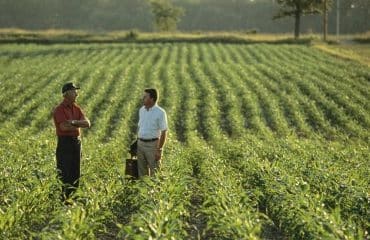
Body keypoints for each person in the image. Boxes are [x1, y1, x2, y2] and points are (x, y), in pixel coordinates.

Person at [53, 82, 91, 200]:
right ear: (66, 94)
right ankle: (64, 199)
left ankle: (73, 198)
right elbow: (63, 127)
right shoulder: (59, 109)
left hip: (76, 142)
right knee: (65, 171)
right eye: (74, 91)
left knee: (76, 170)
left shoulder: (77, 108)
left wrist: (73, 122)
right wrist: (78, 124)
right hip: (65, 143)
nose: (76, 93)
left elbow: (87, 123)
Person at [137, 88, 168, 177]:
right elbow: (140, 127)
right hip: (141, 144)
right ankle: (143, 190)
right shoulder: (141, 110)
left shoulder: (160, 112)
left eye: (145, 97)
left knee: (155, 173)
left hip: (153, 145)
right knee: (142, 173)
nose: (143, 98)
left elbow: (164, 131)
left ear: (152, 99)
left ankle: (155, 191)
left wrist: (159, 149)